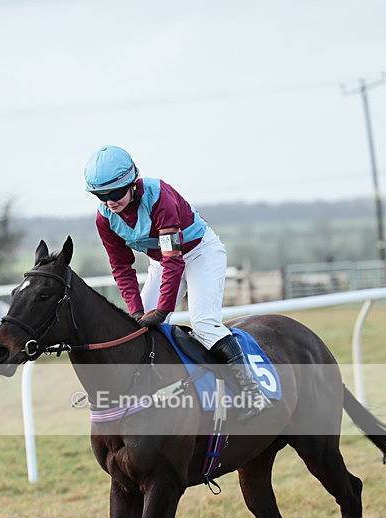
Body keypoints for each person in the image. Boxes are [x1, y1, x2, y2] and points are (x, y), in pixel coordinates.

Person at [84, 145, 270, 422]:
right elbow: (121, 268)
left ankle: (252, 392)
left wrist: (162, 310)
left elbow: (175, 260)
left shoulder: (160, 196)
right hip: (162, 262)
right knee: (136, 329)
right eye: (100, 195)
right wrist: (136, 310)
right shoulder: (105, 218)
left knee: (204, 323)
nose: (109, 202)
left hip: (200, 253)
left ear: (133, 184)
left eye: (115, 193)